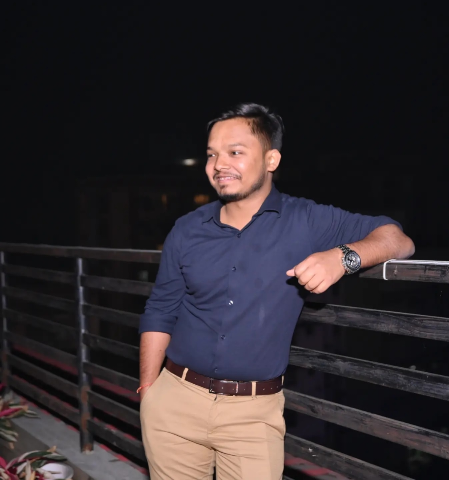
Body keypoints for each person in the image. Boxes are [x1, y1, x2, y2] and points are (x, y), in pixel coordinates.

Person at [138, 103, 415, 480]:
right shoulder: (187, 228)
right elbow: (161, 309)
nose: (219, 164)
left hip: (252, 415)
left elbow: (398, 239)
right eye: (212, 154)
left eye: (235, 152)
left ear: (271, 159)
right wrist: (149, 390)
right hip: (174, 402)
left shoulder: (306, 220)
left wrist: (342, 258)